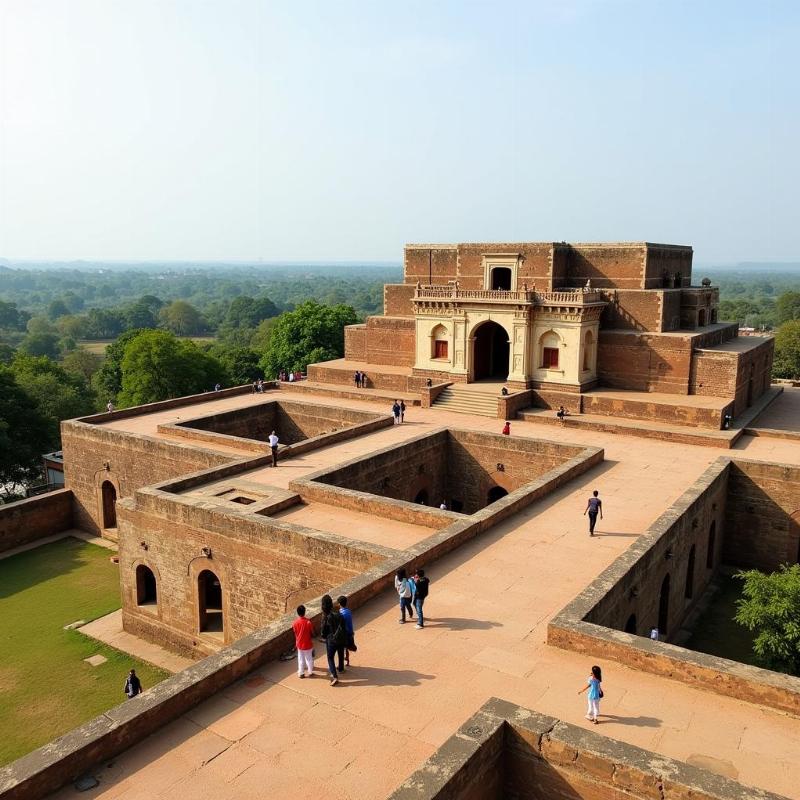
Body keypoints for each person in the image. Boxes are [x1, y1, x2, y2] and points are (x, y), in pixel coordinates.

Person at [320, 594, 347, 685]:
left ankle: (334, 676)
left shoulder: (325, 616)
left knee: (330, 657)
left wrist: (324, 636)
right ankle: (341, 668)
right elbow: (343, 626)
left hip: (331, 639)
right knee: (340, 653)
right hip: (340, 637)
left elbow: (323, 631)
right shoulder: (338, 613)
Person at [292, 604, 314, 679]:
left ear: (298, 613)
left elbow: (295, 634)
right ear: (304, 612)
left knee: (301, 659)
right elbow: (312, 632)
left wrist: (296, 642)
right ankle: (310, 672)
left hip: (300, 644)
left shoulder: (295, 623)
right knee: (309, 658)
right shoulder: (308, 622)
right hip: (308, 643)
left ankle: (301, 673)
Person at [337, 595, 357, 666]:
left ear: (339, 604)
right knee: (347, 648)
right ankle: (347, 661)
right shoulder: (348, 611)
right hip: (350, 632)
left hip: (344, 634)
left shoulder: (340, 613)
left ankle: (341, 664)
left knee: (341, 648)